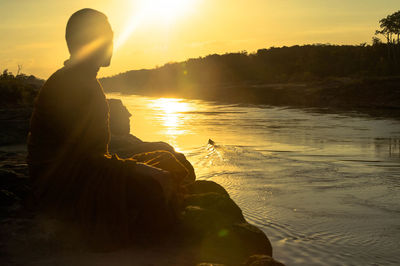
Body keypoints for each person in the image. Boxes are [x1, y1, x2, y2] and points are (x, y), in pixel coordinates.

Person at [27, 8, 190, 245]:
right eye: (106, 38)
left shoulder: (84, 80)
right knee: (154, 185)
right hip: (64, 187)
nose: (112, 44)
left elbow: (93, 154)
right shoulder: (71, 84)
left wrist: (145, 169)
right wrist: (146, 172)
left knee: (169, 160)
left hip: (82, 172)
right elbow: (89, 159)